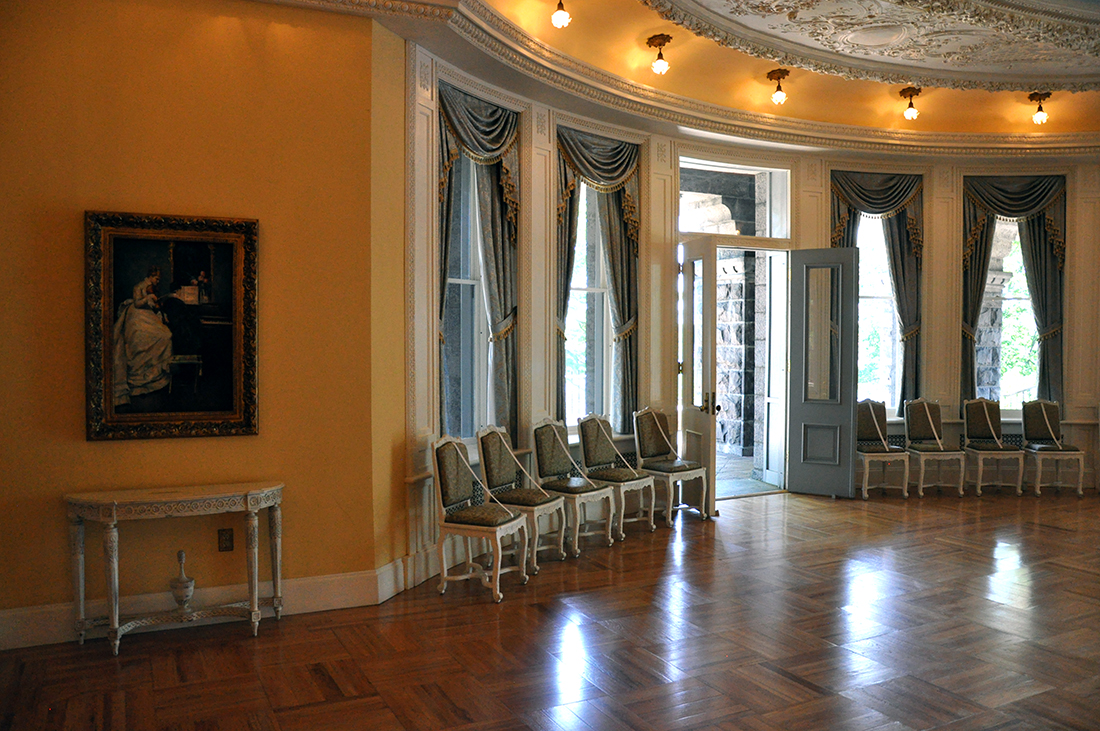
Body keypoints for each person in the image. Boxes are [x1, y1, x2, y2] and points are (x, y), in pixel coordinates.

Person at [112, 266, 173, 406]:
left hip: (148, 315)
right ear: (151, 276)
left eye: (159, 279)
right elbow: (137, 303)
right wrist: (148, 298)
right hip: (137, 315)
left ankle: (157, 372)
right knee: (142, 339)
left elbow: (154, 305)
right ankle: (140, 375)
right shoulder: (139, 286)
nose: (158, 282)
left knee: (166, 335)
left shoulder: (153, 287)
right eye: (156, 279)